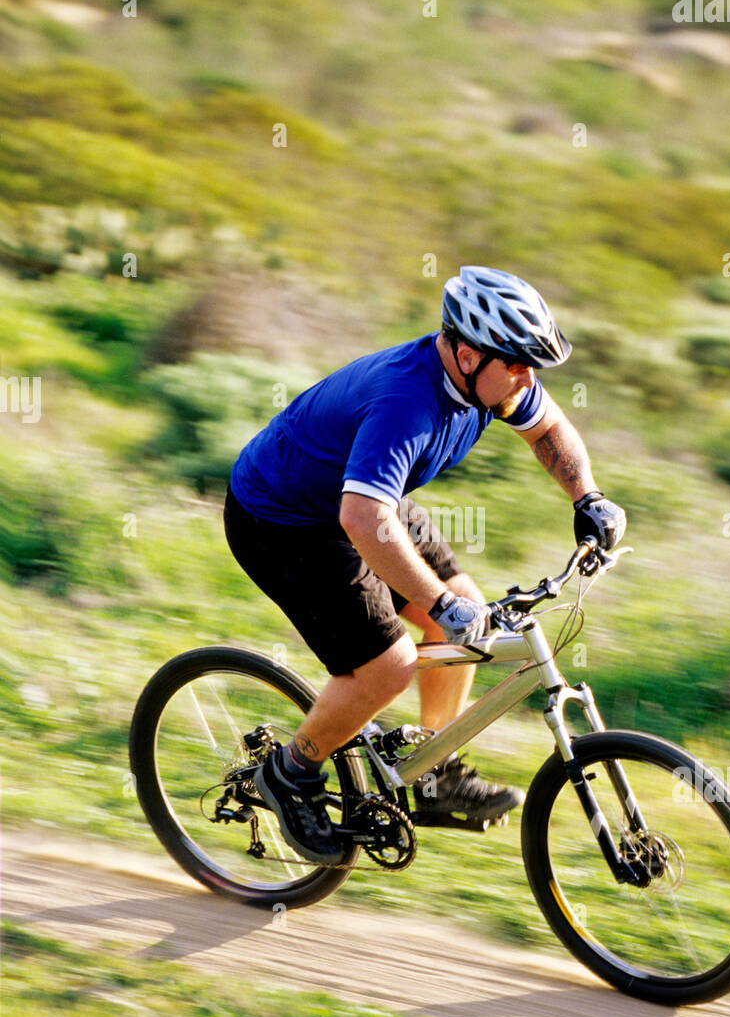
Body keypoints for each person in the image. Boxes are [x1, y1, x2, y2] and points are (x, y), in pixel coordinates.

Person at [224, 266, 626, 864]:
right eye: (516, 363)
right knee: (389, 666)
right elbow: (363, 522)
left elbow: (549, 431)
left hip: (361, 498)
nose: (527, 377)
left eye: (530, 365)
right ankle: (290, 774)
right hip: (283, 521)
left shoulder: (493, 381)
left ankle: (432, 771)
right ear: (466, 354)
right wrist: (440, 603)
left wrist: (588, 497)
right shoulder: (405, 404)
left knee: (463, 605)